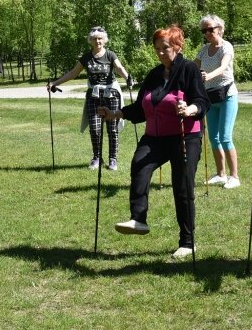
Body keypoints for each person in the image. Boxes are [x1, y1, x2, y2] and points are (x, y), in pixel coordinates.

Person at [99, 25, 210, 259]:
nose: (160, 53)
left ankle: (188, 242)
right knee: (140, 164)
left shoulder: (189, 69)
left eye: (165, 48)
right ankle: (138, 219)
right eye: (157, 49)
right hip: (155, 137)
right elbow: (141, 109)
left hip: (185, 136)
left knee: (182, 186)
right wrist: (114, 114)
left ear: (178, 47)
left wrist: (189, 109)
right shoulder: (154, 75)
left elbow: (202, 101)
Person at [47, 26, 132, 171]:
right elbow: (73, 73)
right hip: (93, 97)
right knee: (94, 128)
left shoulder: (110, 55)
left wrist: (128, 78)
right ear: (90, 41)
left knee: (112, 129)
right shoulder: (86, 57)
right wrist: (55, 83)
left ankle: (113, 159)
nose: (97, 41)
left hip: (111, 96)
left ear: (104, 40)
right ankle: (97, 157)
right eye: (94, 39)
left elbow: (119, 67)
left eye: (100, 38)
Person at [195, 14, 241, 189]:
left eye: (210, 29)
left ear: (219, 29)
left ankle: (234, 177)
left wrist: (207, 75)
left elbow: (223, 67)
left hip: (227, 96)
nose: (207, 33)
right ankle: (221, 174)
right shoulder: (204, 49)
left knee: (225, 137)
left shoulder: (226, 47)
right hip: (209, 98)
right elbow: (194, 65)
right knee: (213, 138)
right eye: (204, 30)